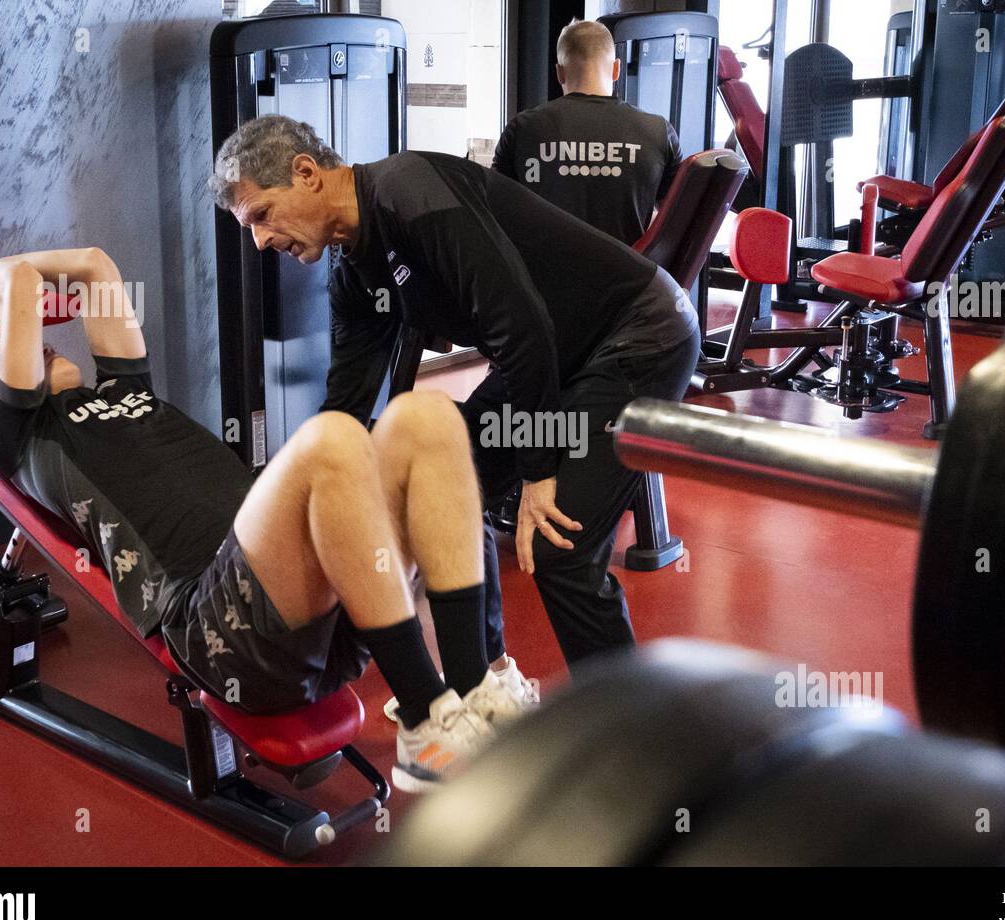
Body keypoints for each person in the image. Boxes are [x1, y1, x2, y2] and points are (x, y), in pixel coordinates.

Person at [0, 243, 524, 793]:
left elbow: (92, 265)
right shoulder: (24, 439)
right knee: (333, 441)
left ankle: (469, 694)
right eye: (33, 353)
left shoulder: (125, 392)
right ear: (0, 395)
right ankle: (424, 720)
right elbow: (23, 283)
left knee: (428, 418)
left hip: (317, 611)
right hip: (216, 630)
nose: (53, 347)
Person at [210, 114, 700, 677]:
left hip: (638, 333)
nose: (262, 240)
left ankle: (629, 737)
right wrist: (289, 497)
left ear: (306, 173)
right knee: (444, 484)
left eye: (262, 216)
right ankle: (486, 682)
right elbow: (344, 408)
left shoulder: (409, 191)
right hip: (559, 351)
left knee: (556, 546)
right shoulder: (354, 274)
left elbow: (519, 324)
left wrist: (539, 472)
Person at [492, 18, 683, 246]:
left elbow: (495, 211)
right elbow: (677, 223)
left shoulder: (522, 128)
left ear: (559, 73)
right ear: (616, 69)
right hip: (629, 277)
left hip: (541, 279)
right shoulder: (659, 132)